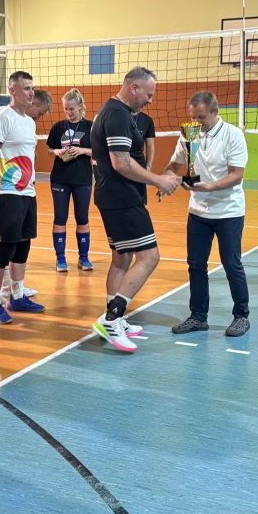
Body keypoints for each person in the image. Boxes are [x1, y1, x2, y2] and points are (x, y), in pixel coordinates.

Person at [90, 67, 182, 352]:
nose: (150, 100)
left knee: (122, 258)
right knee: (150, 257)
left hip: (113, 196)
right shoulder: (117, 114)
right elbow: (121, 163)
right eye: (148, 94)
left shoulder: (114, 111)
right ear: (133, 87)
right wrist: (159, 180)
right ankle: (111, 319)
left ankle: (115, 316)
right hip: (122, 198)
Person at [163, 92, 250, 337]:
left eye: (200, 117)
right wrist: (165, 181)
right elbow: (173, 166)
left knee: (231, 264)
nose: (195, 122)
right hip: (198, 212)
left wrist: (209, 187)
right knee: (196, 265)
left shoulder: (233, 135)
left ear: (214, 111)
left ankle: (241, 316)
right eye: (192, 117)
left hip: (228, 211)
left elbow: (236, 175)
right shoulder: (188, 134)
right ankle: (198, 317)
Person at [0, 71, 47, 324]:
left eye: (32, 88)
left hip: (27, 191)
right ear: (12, 90)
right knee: (5, 246)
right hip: (6, 192)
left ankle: (17, 297)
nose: (31, 93)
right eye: (26, 88)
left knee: (23, 243)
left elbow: (29, 155)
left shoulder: (29, 122)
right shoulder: (1, 117)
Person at [47, 88, 94, 272]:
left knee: (82, 218)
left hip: (82, 179)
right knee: (60, 218)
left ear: (80, 106)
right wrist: (56, 152)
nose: (69, 112)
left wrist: (82, 151)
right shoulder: (58, 127)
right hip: (60, 179)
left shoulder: (90, 127)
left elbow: (100, 151)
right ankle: (60, 259)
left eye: (72, 108)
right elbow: (49, 149)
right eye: (66, 109)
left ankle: (84, 258)